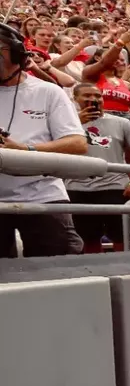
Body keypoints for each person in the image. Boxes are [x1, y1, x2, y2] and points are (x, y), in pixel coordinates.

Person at [0, 22, 88, 257]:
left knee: (57, 271)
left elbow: (77, 143)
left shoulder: (48, 92)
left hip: (43, 197)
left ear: (19, 54)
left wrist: (25, 149)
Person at [64, 81, 130, 252]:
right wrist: (76, 122)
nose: (93, 99)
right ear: (75, 99)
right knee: (88, 239)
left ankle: (124, 271)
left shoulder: (122, 123)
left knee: (122, 237)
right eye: (87, 96)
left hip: (114, 187)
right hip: (78, 188)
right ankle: (96, 274)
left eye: (97, 96)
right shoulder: (65, 124)